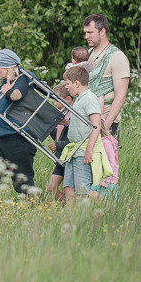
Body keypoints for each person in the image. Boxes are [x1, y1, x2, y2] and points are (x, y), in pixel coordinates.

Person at [0, 48, 39, 195]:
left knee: (23, 183)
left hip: (18, 139)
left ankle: (35, 210)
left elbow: (16, 96)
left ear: (8, 67)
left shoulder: (23, 78)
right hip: (1, 138)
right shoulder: (7, 81)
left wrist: (7, 90)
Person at [59, 65, 104, 204]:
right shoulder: (78, 99)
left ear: (77, 83)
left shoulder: (89, 98)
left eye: (67, 84)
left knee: (82, 189)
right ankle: (71, 218)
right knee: (68, 187)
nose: (66, 87)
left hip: (83, 150)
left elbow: (96, 125)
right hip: (74, 150)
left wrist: (89, 149)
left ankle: (108, 205)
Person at [82, 13, 131, 139]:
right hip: (86, 118)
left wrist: (104, 128)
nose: (86, 36)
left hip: (105, 121)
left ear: (102, 31)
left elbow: (120, 96)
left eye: (90, 32)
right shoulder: (89, 53)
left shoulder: (117, 57)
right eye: (85, 32)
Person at [44, 80, 73, 202]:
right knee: (51, 189)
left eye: (57, 100)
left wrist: (58, 145)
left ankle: (71, 208)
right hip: (60, 159)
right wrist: (50, 128)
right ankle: (66, 206)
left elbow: (74, 141)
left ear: (68, 99)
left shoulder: (73, 116)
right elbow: (58, 136)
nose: (55, 103)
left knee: (69, 190)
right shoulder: (62, 113)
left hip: (69, 158)